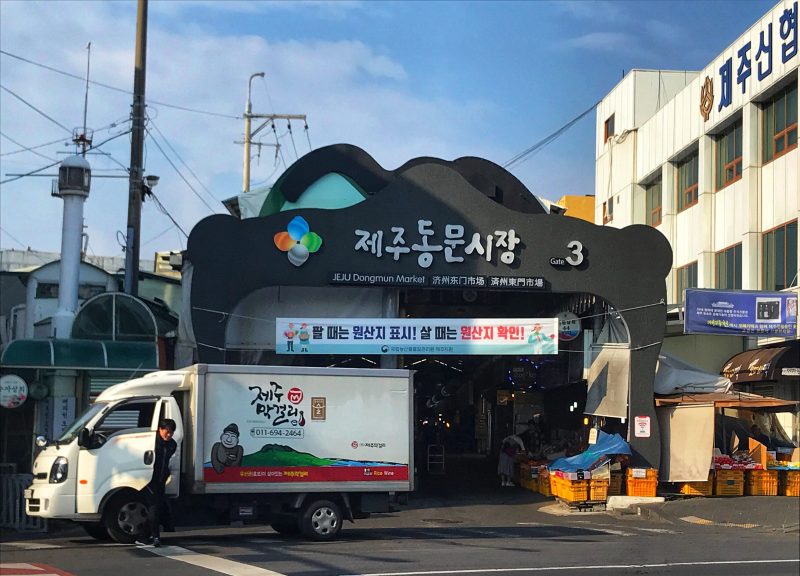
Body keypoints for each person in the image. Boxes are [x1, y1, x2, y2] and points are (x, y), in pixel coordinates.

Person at [137, 418, 177, 547]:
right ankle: (156, 537)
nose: (169, 435)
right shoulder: (152, 442)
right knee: (153, 507)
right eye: (167, 431)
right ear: (160, 429)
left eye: (171, 432)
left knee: (157, 508)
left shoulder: (172, 444)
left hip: (161, 480)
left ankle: (143, 536)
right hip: (148, 480)